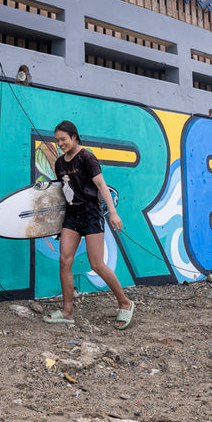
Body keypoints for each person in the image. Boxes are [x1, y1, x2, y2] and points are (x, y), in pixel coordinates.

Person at [43, 121, 134, 330]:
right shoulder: (59, 163)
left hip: (91, 215)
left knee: (97, 264)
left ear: (74, 137)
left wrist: (113, 213)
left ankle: (125, 303)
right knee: (64, 260)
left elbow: (101, 185)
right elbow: (64, 190)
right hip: (71, 216)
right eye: (57, 140)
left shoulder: (87, 157)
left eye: (63, 139)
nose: (60, 144)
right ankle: (67, 312)